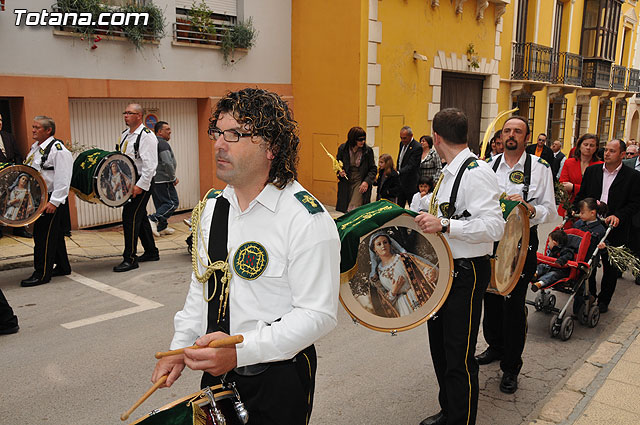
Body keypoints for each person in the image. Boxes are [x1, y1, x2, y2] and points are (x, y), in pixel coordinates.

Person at [151, 88, 340, 425]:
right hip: (217, 370)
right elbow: (203, 289)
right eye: (218, 133)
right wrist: (180, 348)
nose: (220, 145)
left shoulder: (304, 218)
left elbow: (318, 314)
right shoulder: (213, 210)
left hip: (278, 376)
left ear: (273, 147)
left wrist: (240, 351)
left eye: (236, 135)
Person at [414, 108, 504, 425]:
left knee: (459, 355)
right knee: (440, 349)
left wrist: (446, 226)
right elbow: (446, 209)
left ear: (436, 137)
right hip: (442, 271)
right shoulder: (451, 170)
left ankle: (461, 419)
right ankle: (449, 410)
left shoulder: (476, 171)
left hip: (465, 272)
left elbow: (495, 227)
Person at [479, 116, 556, 394]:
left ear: (527, 137)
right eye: (507, 130)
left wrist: (530, 209)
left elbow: (551, 209)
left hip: (523, 243)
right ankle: (495, 347)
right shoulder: (488, 166)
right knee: (490, 298)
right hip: (491, 242)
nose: (511, 135)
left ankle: (511, 368)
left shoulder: (540, 168)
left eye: (517, 131)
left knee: (513, 306)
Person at [574, 139, 640, 312]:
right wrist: (576, 211)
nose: (607, 153)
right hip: (591, 225)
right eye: (606, 150)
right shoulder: (592, 171)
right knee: (588, 261)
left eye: (612, 151)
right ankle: (591, 294)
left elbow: (634, 203)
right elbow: (582, 195)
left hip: (615, 227)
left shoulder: (632, 176)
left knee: (610, 267)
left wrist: (618, 215)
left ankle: (604, 301)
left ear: (622, 155)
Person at [20, 116, 72, 287]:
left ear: (48, 130)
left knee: (43, 236)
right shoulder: (36, 148)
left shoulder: (58, 150)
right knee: (54, 235)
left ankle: (41, 273)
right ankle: (63, 266)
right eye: (33, 127)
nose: (33, 130)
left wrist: (54, 202)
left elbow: (63, 178)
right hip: (39, 197)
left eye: (37, 127)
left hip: (50, 199)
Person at [113, 104, 159, 272]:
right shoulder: (126, 135)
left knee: (130, 217)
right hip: (129, 180)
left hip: (141, 182)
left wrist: (140, 186)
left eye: (130, 113)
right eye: (125, 112)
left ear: (139, 116)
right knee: (140, 216)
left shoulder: (146, 136)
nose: (126, 115)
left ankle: (130, 258)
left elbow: (150, 165)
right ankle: (151, 252)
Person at [367, 231, 437, 317]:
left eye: (385, 242)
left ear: (390, 244)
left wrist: (430, 273)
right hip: (402, 307)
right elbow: (384, 303)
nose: (383, 246)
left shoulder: (402, 258)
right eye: (379, 244)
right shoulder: (377, 274)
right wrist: (393, 291)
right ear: (374, 249)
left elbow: (424, 267)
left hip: (418, 294)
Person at [0, 112, 32, 239]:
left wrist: (18, 171)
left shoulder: (8, 137)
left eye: (1, 119)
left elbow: (18, 155)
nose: (0, 122)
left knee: (19, 201)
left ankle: (19, 229)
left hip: (12, 177)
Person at [572, 198, 609, 304]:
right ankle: (583, 296)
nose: (580, 214)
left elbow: (606, 244)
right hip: (577, 255)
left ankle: (589, 297)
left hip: (589, 259)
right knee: (578, 280)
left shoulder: (600, 229)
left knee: (589, 279)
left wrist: (603, 246)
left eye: (582, 212)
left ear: (592, 213)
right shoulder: (579, 224)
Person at [558, 133, 602, 217]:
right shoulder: (569, 162)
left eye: (592, 145)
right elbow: (563, 184)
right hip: (570, 205)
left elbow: (595, 189)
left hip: (589, 208)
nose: (588, 148)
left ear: (596, 148)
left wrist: (574, 187)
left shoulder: (600, 166)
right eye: (585, 144)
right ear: (580, 145)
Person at [148, 121, 180, 236]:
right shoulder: (162, 143)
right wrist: (173, 177)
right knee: (172, 203)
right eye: (167, 129)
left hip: (154, 179)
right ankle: (153, 219)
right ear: (160, 132)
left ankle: (162, 227)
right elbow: (167, 162)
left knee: (161, 204)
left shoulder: (153, 142)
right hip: (164, 179)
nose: (170, 131)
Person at [335, 127, 377, 213]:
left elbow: (373, 169)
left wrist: (366, 182)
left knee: (354, 207)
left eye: (364, 139)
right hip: (346, 181)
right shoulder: (343, 149)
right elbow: (337, 164)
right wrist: (340, 172)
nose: (363, 142)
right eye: (360, 139)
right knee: (345, 208)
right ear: (353, 139)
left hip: (360, 180)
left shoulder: (368, 151)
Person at [396, 126, 422, 207]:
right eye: (401, 138)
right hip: (401, 182)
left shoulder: (417, 147)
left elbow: (412, 165)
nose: (402, 140)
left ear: (411, 136)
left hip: (411, 183)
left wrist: (399, 172)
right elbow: (400, 159)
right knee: (399, 206)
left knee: (412, 206)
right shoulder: (401, 144)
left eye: (404, 138)